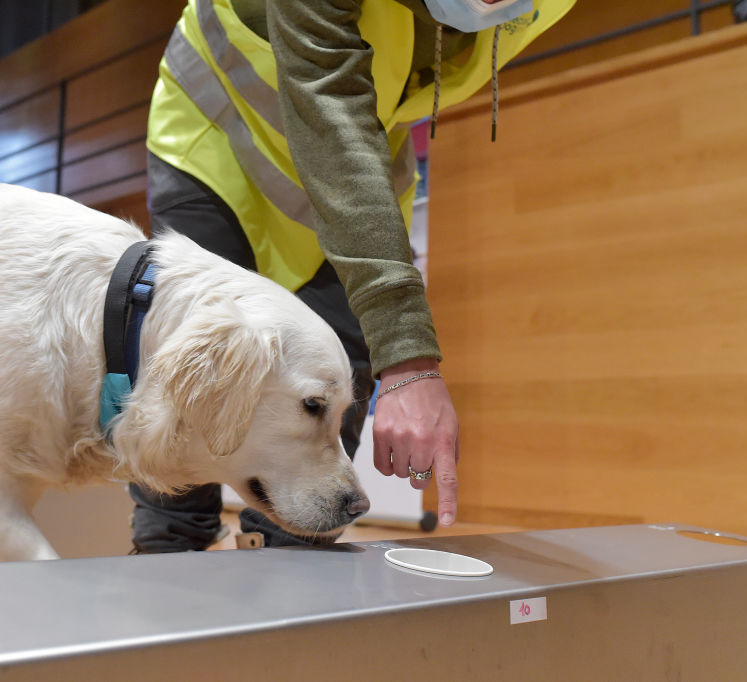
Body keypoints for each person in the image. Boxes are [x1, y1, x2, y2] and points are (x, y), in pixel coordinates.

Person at [131, 0, 574, 552]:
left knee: (341, 360)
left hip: (363, 152)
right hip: (224, 132)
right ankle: (166, 557)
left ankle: (291, 580)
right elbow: (330, 109)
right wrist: (410, 359)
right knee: (192, 354)